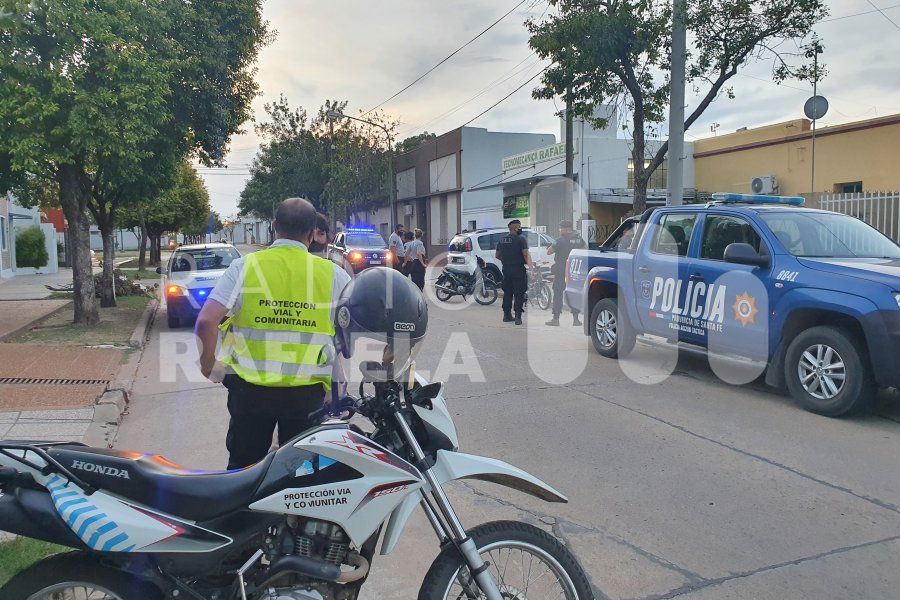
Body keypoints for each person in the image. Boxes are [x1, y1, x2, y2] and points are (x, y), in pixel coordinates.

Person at [195, 197, 352, 470]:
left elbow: (206, 321)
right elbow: (348, 334)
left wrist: (209, 367)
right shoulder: (334, 275)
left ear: (274, 225)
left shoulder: (244, 267)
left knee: (244, 472)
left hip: (250, 392)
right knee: (300, 474)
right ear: (312, 232)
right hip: (306, 395)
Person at [546, 219, 587, 327]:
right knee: (574, 294)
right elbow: (585, 250)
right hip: (574, 271)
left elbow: (549, 251)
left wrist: (552, 246)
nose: (559, 230)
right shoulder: (578, 239)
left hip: (561, 271)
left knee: (558, 294)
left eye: (561, 228)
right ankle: (576, 319)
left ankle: (556, 319)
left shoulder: (559, 240)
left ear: (567, 229)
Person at [495, 219, 532, 325]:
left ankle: (506, 315)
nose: (520, 229)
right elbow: (525, 254)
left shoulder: (502, 240)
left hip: (506, 270)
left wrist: (506, 261)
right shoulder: (521, 239)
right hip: (518, 270)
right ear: (516, 228)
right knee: (519, 293)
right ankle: (518, 317)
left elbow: (497, 255)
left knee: (507, 293)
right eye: (520, 227)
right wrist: (531, 267)